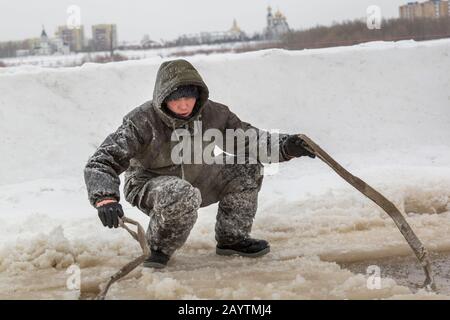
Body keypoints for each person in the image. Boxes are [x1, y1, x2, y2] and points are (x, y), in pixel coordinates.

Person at [84, 59, 315, 269]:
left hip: (199, 174)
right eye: (176, 99)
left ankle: (232, 238)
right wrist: (105, 198)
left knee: (248, 166)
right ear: (163, 98)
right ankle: (158, 248)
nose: (184, 106)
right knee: (181, 193)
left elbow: (249, 140)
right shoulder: (142, 121)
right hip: (149, 183)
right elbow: (102, 161)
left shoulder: (214, 114)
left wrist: (286, 146)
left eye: (189, 97)